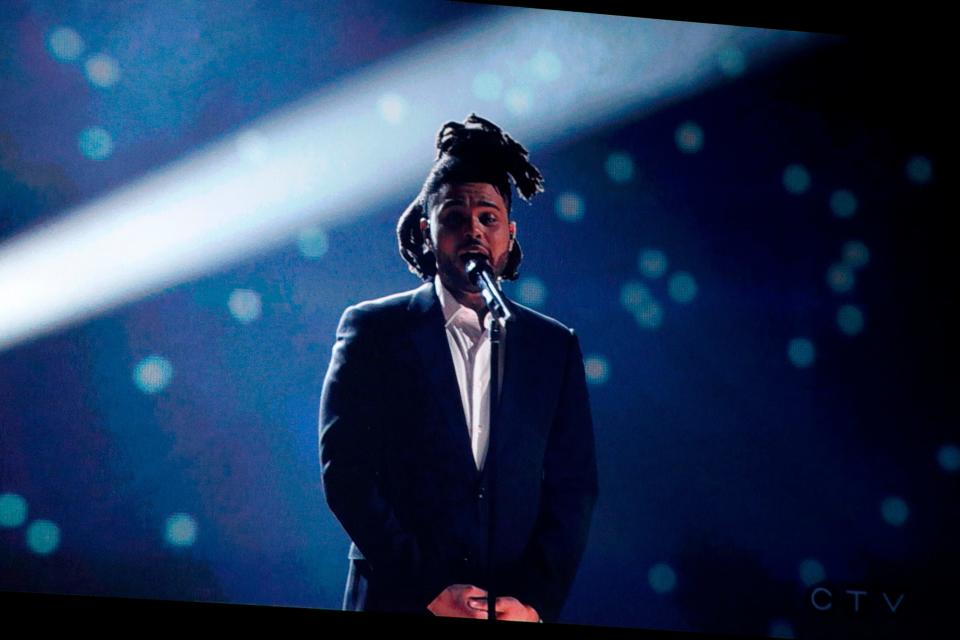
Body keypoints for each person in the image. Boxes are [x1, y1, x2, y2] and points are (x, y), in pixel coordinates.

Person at [318, 114, 598, 623]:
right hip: (399, 598)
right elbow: (348, 476)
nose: (473, 229)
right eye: (454, 217)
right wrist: (428, 588)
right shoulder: (373, 331)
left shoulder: (551, 346)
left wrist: (534, 602)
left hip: (509, 607)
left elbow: (573, 486)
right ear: (428, 233)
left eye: (488, 218)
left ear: (509, 236)